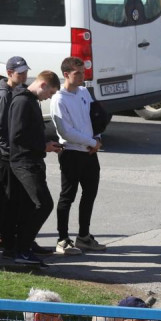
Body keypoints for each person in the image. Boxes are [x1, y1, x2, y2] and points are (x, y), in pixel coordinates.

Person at [49, 56, 103, 256]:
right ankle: (62, 240)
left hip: (90, 153)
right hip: (71, 153)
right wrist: (92, 142)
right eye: (77, 73)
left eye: (83, 73)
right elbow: (65, 132)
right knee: (67, 196)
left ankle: (84, 236)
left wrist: (97, 137)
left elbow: (94, 117)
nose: (82, 77)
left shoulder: (83, 92)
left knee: (89, 194)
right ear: (66, 74)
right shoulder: (59, 99)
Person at [8, 69, 61, 267]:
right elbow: (17, 135)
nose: (50, 97)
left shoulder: (31, 101)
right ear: (43, 85)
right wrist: (43, 146)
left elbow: (31, 132)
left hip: (32, 161)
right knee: (43, 203)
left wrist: (47, 142)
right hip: (24, 163)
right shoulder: (23, 101)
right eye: (50, 93)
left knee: (30, 205)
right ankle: (21, 249)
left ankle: (24, 245)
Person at [0, 57, 29, 260]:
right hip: (7, 157)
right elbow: (3, 129)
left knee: (22, 201)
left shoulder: (23, 90)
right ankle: (9, 243)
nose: (24, 75)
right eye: (20, 73)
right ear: (10, 73)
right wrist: (9, 151)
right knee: (8, 202)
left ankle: (24, 240)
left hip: (19, 156)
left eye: (25, 72)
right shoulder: (4, 96)